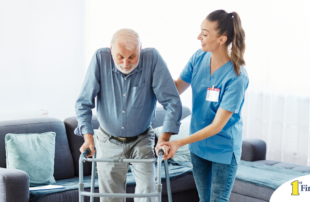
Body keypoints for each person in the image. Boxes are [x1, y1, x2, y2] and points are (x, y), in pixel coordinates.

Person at [74, 28, 182, 202]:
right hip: (107, 140)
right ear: (111, 50)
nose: (125, 63)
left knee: (148, 192)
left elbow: (172, 102)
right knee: (110, 198)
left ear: (140, 48)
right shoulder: (100, 59)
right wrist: (88, 138)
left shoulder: (152, 58)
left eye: (132, 56)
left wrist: (164, 139)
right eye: (120, 57)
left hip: (142, 139)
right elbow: (83, 103)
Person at [158, 10, 249, 202]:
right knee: (203, 199)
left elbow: (217, 126)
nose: (199, 37)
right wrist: (152, 69)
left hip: (223, 149)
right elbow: (175, 89)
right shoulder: (198, 58)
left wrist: (178, 142)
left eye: (205, 34)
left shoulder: (237, 76)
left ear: (221, 39)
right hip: (198, 146)